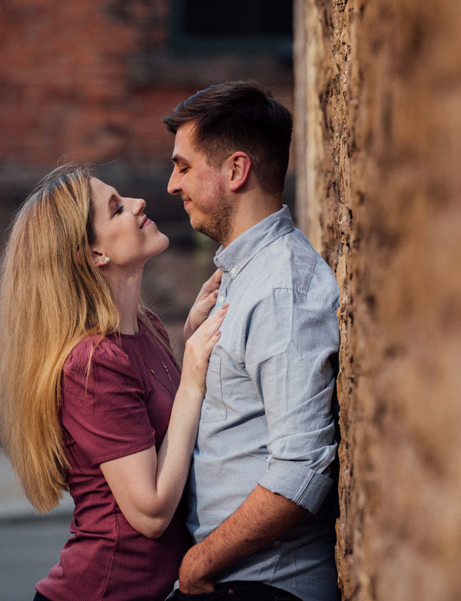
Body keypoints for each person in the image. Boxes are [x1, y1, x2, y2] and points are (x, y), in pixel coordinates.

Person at [0, 164, 227, 601]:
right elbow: (150, 512)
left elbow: (164, 430)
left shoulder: (146, 327)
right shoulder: (92, 363)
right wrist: (191, 377)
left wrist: (190, 341)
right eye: (117, 209)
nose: (139, 204)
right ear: (94, 255)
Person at [162, 80, 341, 601]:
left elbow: (301, 465)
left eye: (183, 166)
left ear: (236, 171)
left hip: (263, 585)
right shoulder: (243, 276)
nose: (172, 184)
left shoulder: (279, 289)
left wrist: (197, 564)